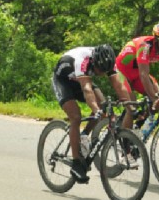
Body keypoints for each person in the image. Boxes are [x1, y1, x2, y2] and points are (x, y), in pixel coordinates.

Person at [52, 44, 136, 184]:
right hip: (64, 82)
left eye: (105, 71)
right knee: (76, 117)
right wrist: (96, 110)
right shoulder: (82, 60)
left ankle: (84, 135)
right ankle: (76, 162)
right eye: (99, 70)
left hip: (81, 80)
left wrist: (130, 106)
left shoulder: (109, 63)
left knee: (103, 106)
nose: (102, 74)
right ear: (94, 61)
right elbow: (86, 89)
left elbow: (118, 85)